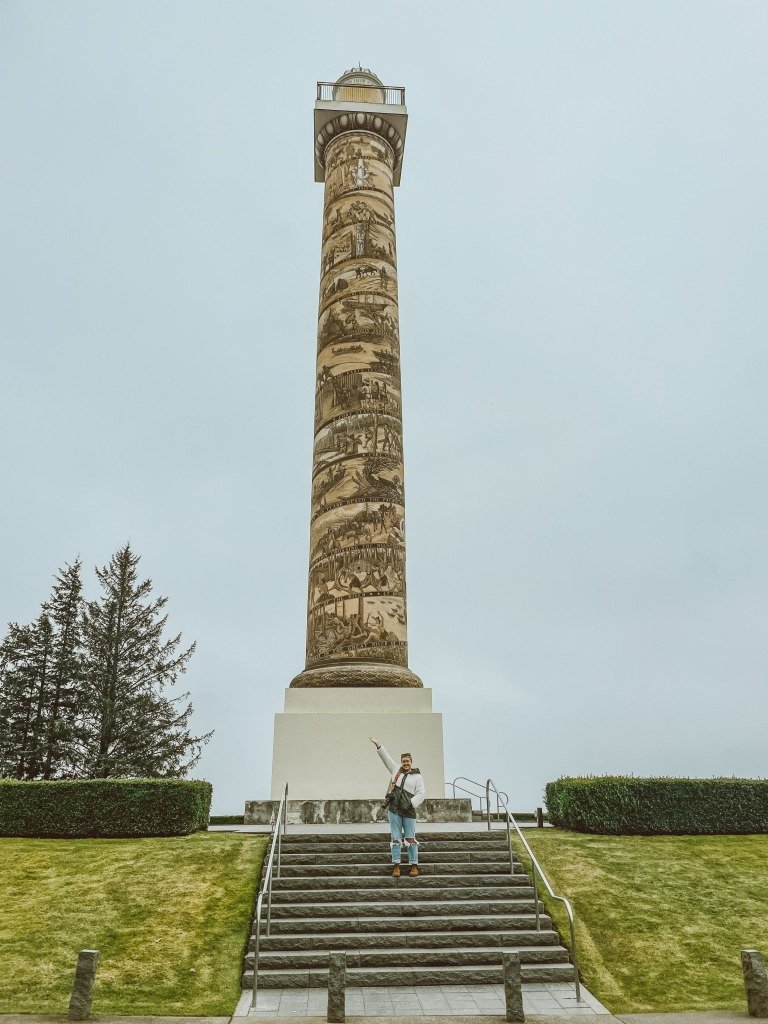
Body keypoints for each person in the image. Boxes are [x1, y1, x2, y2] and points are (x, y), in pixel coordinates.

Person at [369, 736, 425, 877]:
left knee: (410, 838)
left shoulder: (418, 777)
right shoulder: (396, 770)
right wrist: (378, 745)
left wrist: (410, 803)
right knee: (395, 838)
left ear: (411, 762)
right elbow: (386, 759)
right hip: (394, 810)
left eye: (408, 761)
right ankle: (396, 865)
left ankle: (414, 865)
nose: (405, 763)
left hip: (409, 811)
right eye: (403, 761)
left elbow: (421, 794)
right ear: (401, 762)